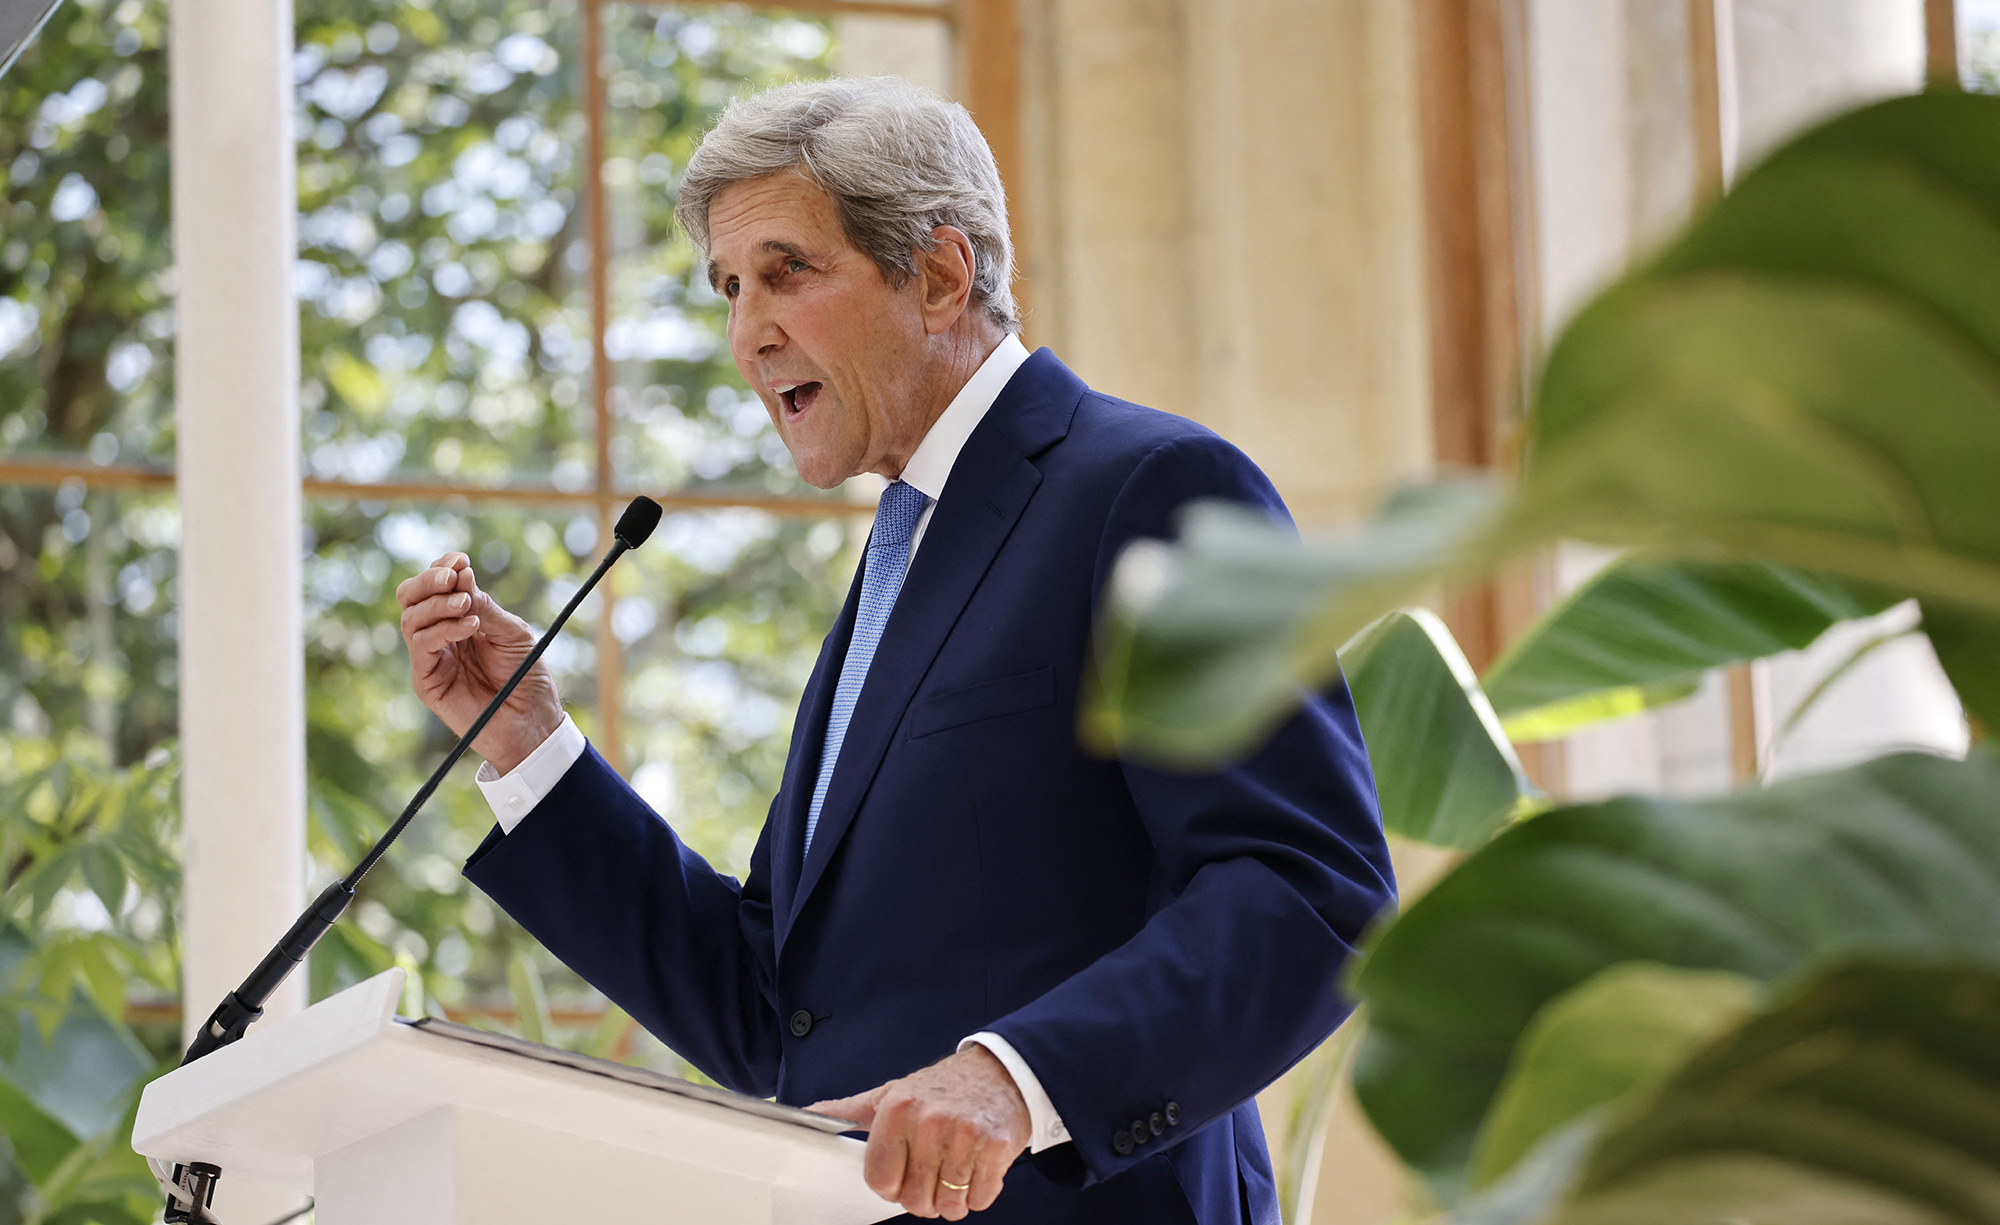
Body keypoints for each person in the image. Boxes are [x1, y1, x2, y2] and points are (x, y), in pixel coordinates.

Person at [395, 76, 1394, 1225]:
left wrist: (1015, 1079)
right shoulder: (895, 562)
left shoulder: (1150, 488)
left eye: (786, 270)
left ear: (936, 274)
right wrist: (528, 744)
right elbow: (768, 1009)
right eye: (727, 287)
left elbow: (1309, 891)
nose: (745, 330)